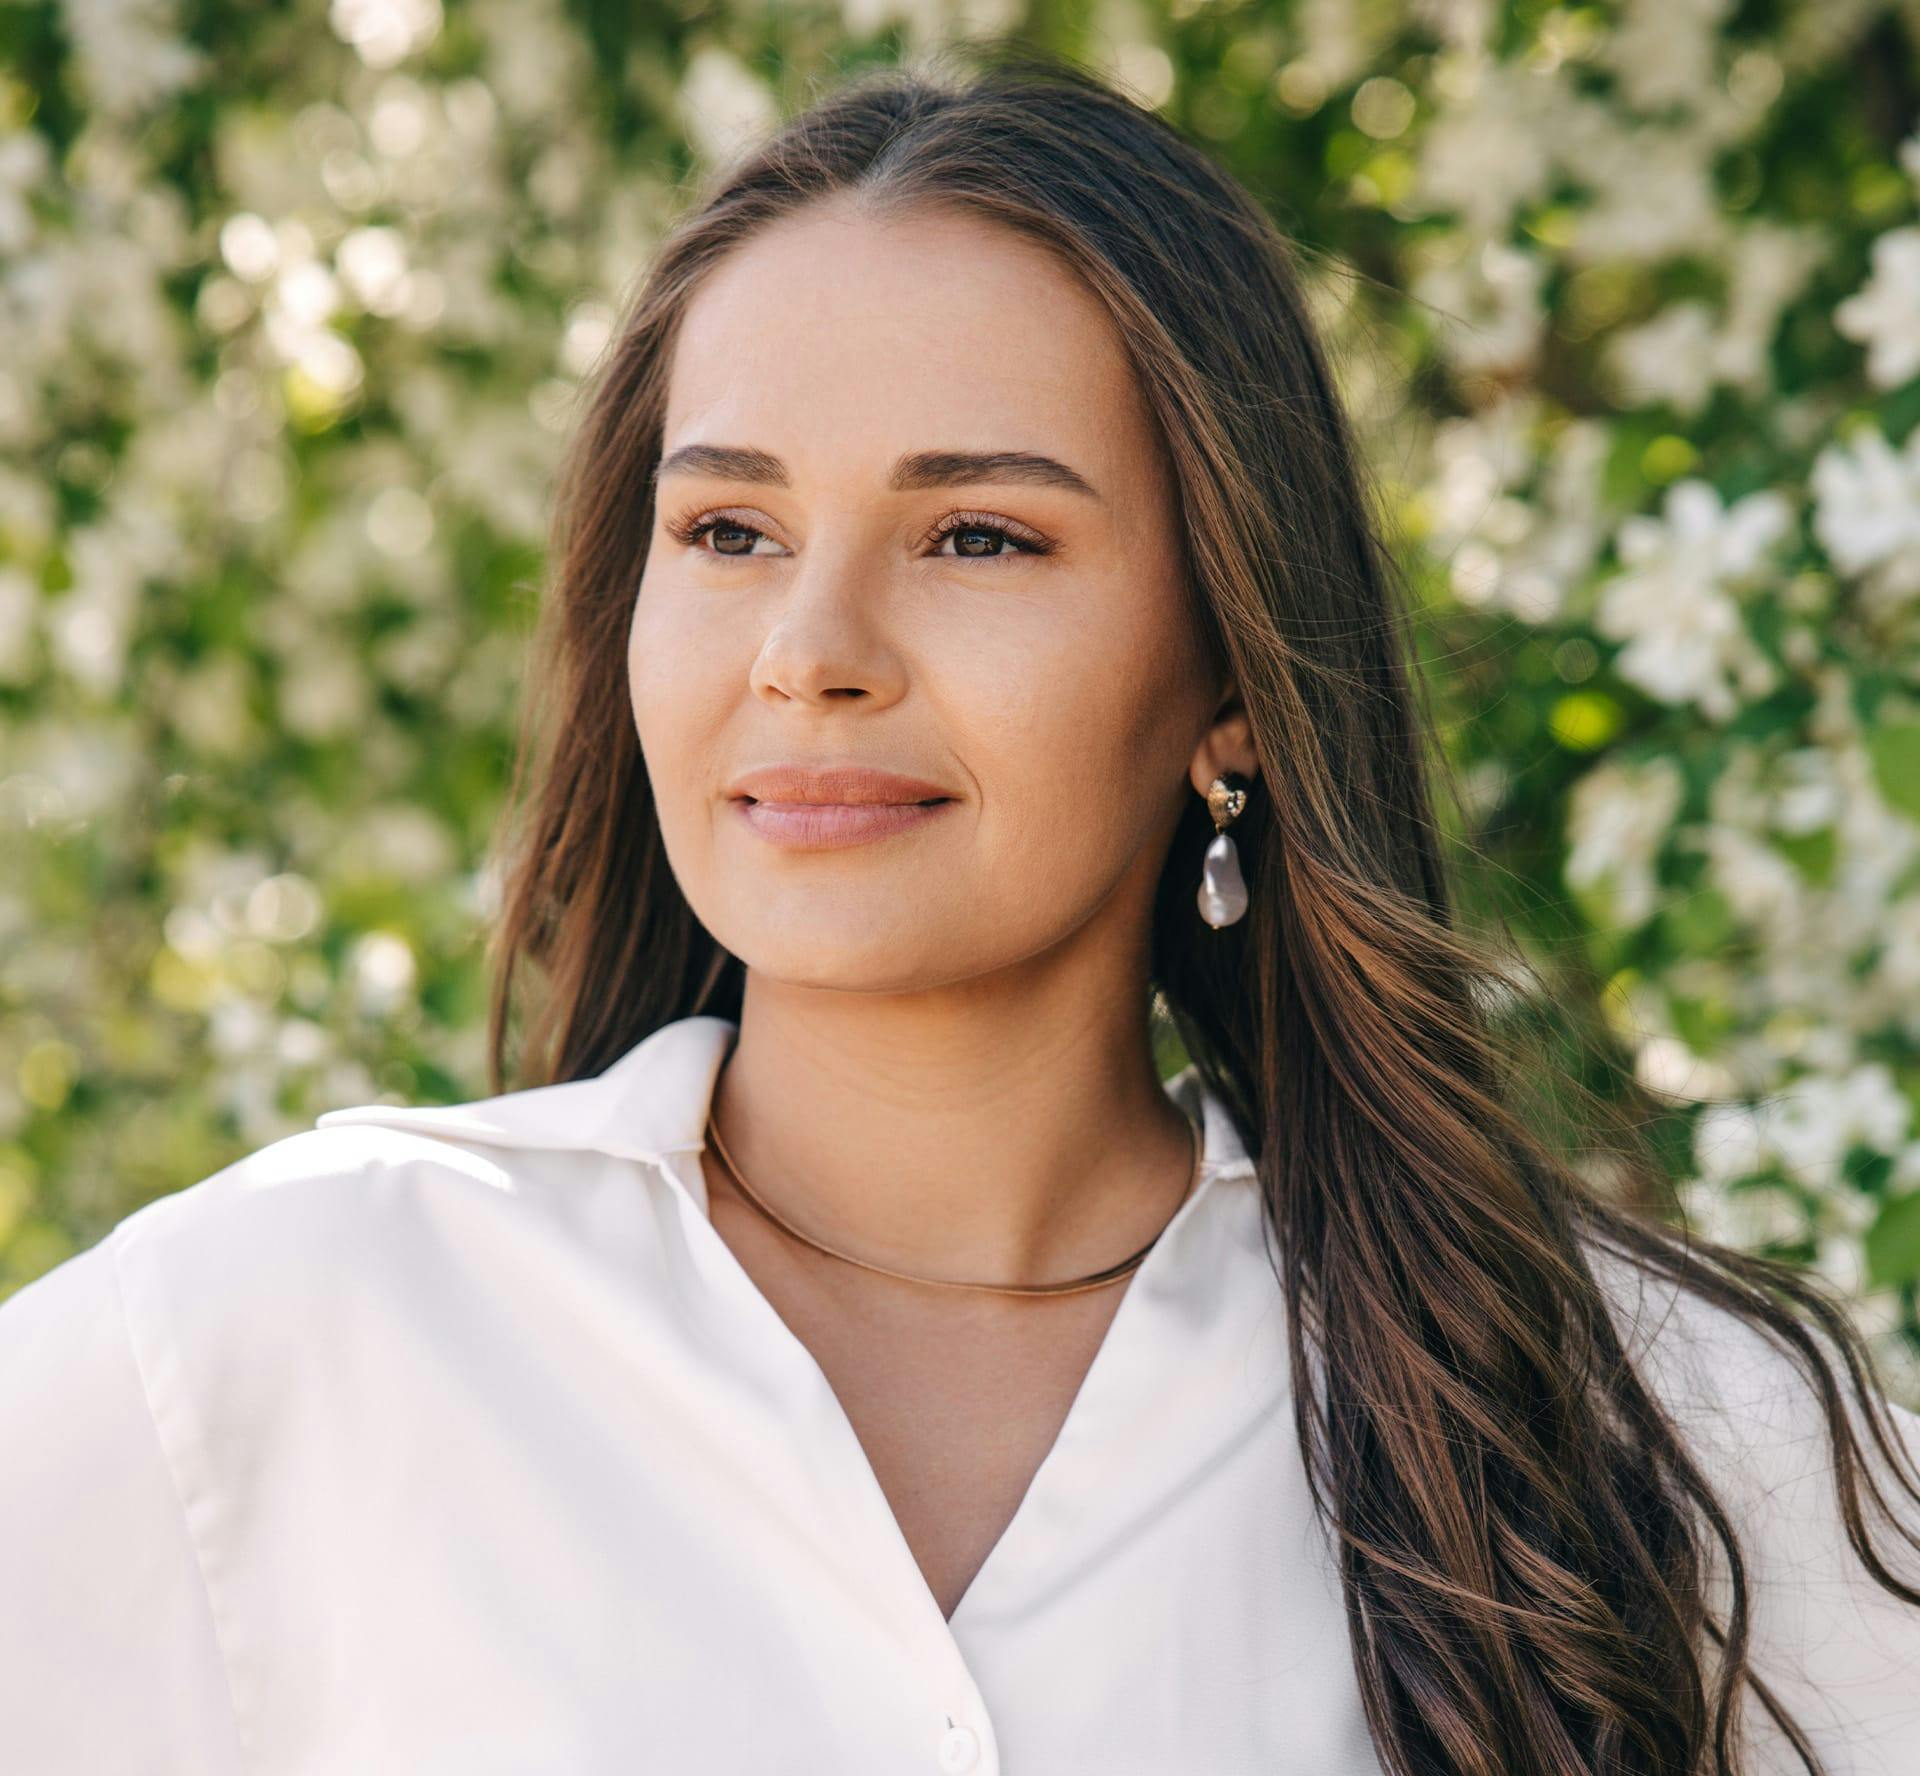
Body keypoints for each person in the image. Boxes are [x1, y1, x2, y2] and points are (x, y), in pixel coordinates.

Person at [3, 48, 1917, 1776]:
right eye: (729, 531)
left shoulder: (1643, 1423)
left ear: (1234, 666)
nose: (809, 653)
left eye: (978, 536)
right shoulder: (277, 1332)